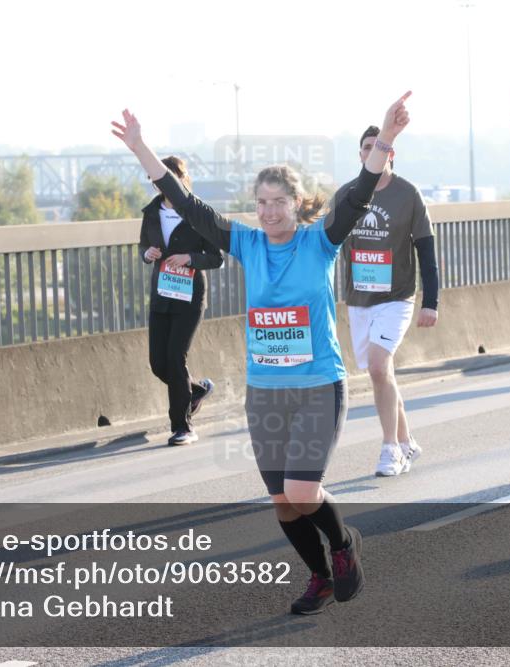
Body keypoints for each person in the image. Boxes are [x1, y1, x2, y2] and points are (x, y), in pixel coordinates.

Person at [112, 91, 412, 615]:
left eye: (280, 202)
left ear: (296, 204)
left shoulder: (320, 241)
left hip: (318, 385)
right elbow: (187, 204)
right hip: (267, 392)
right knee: (283, 503)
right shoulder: (247, 243)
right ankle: (319, 576)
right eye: (262, 203)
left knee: (302, 489)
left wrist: (385, 138)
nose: (270, 211)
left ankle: (344, 547)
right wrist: (141, 148)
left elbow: (362, 190)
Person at [336, 125, 439, 476]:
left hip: (397, 297)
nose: (371, 153)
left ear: (390, 153)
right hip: (359, 298)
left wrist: (432, 301)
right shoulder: (347, 194)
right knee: (382, 375)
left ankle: (390, 449)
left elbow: (426, 250)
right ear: (361, 154)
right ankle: (408, 441)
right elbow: (325, 245)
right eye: (366, 148)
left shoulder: (408, 194)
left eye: (378, 147)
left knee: (380, 367)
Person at [138, 156, 224, 445]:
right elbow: (143, 245)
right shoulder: (151, 212)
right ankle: (196, 391)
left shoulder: (197, 212)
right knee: (158, 363)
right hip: (162, 294)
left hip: (189, 296)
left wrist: (190, 258)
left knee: (176, 357)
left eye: (171, 176)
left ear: (182, 178)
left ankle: (183, 427)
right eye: (160, 177)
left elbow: (216, 257)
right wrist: (147, 253)